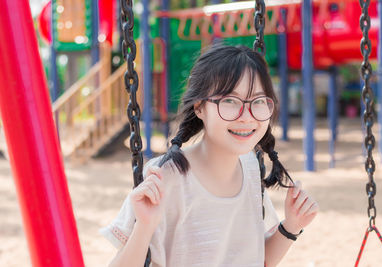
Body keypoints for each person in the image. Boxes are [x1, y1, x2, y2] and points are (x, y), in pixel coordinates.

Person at [100, 44, 319, 267]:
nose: (246, 117)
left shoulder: (250, 166)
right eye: (230, 101)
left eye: (258, 101)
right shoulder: (165, 176)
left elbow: (258, 259)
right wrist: (144, 227)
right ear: (199, 107)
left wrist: (291, 226)